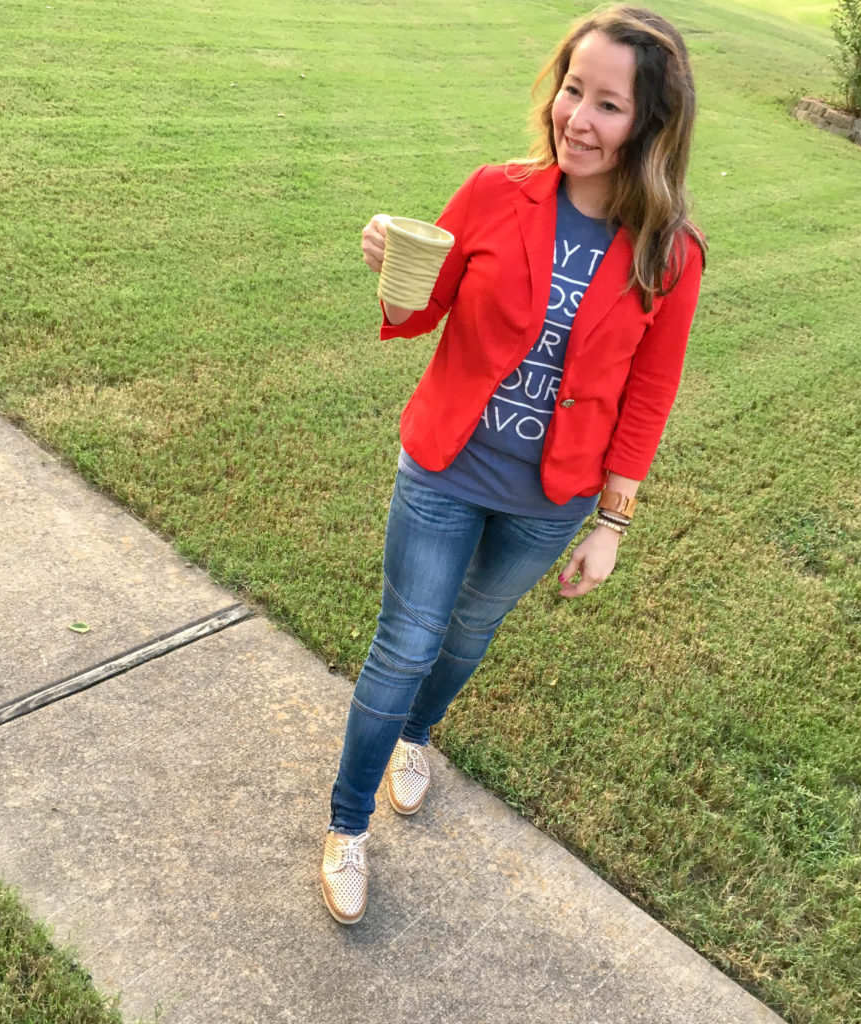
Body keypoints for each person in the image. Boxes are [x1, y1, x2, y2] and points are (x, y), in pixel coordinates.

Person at [320, 3, 707, 925]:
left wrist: (610, 525)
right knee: (407, 639)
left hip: (550, 499)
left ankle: (420, 735)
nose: (580, 117)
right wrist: (390, 265)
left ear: (651, 125)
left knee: (467, 637)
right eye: (574, 90)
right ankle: (346, 828)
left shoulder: (670, 254)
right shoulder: (497, 191)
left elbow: (648, 395)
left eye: (609, 105)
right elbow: (421, 312)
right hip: (447, 470)